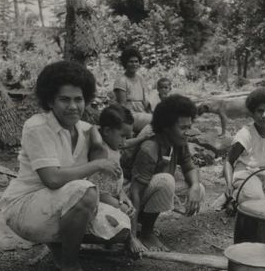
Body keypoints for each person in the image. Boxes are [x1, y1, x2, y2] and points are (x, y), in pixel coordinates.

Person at [0, 60, 132, 271]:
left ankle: (58, 248)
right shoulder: (37, 126)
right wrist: (97, 163)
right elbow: (52, 179)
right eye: (65, 99)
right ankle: (70, 270)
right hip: (24, 207)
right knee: (84, 192)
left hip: (52, 202)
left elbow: (103, 167)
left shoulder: (84, 129)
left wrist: (97, 142)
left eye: (78, 99)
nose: (73, 106)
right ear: (50, 101)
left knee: (120, 225)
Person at [130, 94, 205, 251]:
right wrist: (132, 236)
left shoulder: (178, 141)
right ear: (166, 127)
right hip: (128, 198)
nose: (188, 132)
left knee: (197, 187)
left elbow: (189, 166)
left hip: (147, 191)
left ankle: (144, 224)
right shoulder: (150, 147)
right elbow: (135, 192)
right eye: (183, 128)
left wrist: (196, 186)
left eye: (189, 127)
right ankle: (145, 232)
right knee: (166, 181)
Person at [223, 87, 265, 215]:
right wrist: (228, 185)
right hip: (246, 172)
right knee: (254, 198)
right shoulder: (245, 134)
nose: (264, 115)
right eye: (260, 111)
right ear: (252, 113)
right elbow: (228, 161)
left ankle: (262, 200)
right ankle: (234, 197)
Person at [88, 104, 147, 254]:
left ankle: (130, 237)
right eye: (123, 135)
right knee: (127, 211)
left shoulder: (115, 144)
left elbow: (126, 144)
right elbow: (93, 134)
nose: (125, 141)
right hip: (100, 195)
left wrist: (143, 138)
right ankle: (130, 239)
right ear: (106, 131)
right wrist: (95, 127)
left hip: (115, 190)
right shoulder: (100, 149)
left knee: (131, 206)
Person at [113, 46, 152, 135]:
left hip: (142, 113)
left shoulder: (140, 78)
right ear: (125, 63)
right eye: (131, 61)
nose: (134, 64)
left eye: (136, 61)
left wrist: (152, 111)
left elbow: (145, 101)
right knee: (156, 121)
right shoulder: (121, 81)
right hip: (131, 116)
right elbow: (122, 107)